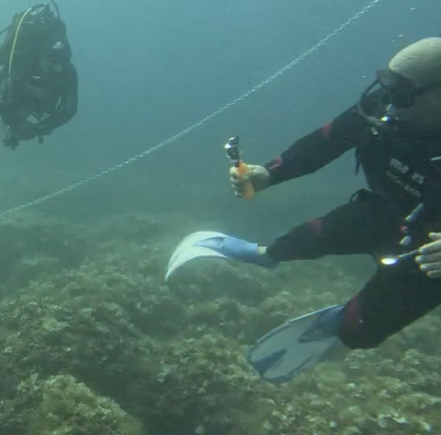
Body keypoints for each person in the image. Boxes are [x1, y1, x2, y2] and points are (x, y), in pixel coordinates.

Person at [165, 37, 441, 382]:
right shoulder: (382, 107)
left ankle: (340, 326)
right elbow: (326, 142)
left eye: (401, 92)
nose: (389, 100)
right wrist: (269, 174)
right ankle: (265, 254)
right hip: (386, 211)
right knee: (317, 234)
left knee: (361, 327)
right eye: (386, 84)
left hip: (431, 250)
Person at [0, 0, 78, 148]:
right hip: (10, 94)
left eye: (58, 64)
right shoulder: (25, 62)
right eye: (51, 63)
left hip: (19, 99)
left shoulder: (66, 71)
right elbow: (1, 96)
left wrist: (38, 128)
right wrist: (19, 126)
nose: (55, 68)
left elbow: (68, 110)